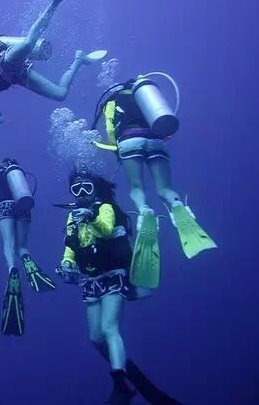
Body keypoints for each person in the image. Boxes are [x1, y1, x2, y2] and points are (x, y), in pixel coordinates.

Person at [55, 169, 180, 405]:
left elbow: (105, 229)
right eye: (76, 189)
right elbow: (70, 244)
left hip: (113, 274)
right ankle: (123, 368)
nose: (82, 194)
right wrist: (66, 263)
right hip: (90, 280)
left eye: (86, 188)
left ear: (95, 190)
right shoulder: (72, 216)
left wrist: (90, 216)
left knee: (109, 327)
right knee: (95, 337)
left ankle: (120, 384)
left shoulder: (105, 207)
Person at [92, 76, 216, 288]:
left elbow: (111, 130)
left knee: (137, 188)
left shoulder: (112, 100)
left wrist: (116, 150)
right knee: (165, 189)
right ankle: (177, 205)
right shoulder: (146, 98)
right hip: (156, 139)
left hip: (129, 140)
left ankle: (145, 211)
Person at [0, 158, 55, 336]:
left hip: (4, 205)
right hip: (23, 206)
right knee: (22, 247)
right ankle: (26, 259)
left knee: (8, 243)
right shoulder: (19, 174)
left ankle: (12, 269)